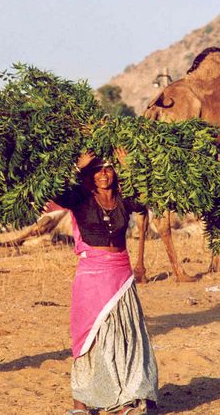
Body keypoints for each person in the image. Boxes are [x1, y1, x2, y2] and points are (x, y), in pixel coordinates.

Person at [49, 152, 159, 415]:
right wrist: (78, 166)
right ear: (90, 175)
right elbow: (54, 190)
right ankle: (81, 403)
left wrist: (129, 165)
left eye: (109, 169)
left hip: (121, 275)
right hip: (92, 277)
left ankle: (126, 399)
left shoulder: (123, 199)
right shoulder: (81, 198)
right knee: (90, 338)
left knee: (125, 335)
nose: (103, 174)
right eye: (98, 170)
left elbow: (145, 196)